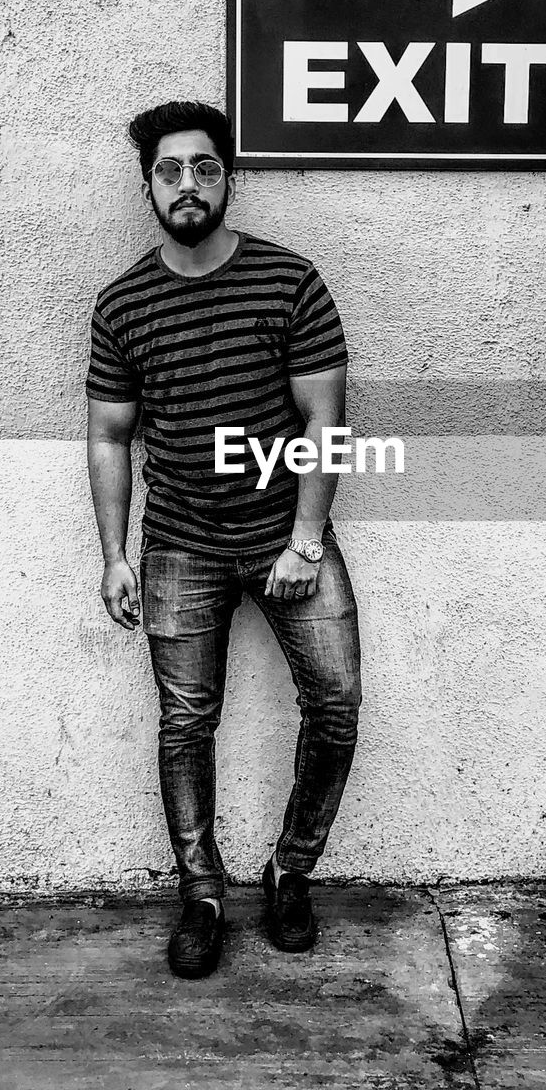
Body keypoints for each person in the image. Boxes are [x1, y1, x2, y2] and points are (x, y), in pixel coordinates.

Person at [85, 100, 362, 979]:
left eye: (204, 167)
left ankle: (289, 872)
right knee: (185, 723)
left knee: (337, 704)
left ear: (228, 179)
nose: (188, 184)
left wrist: (306, 540)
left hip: (289, 534)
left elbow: (326, 420)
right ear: (148, 187)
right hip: (178, 546)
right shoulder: (124, 303)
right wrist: (115, 554)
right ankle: (201, 892)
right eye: (170, 170)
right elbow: (109, 436)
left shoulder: (289, 282)